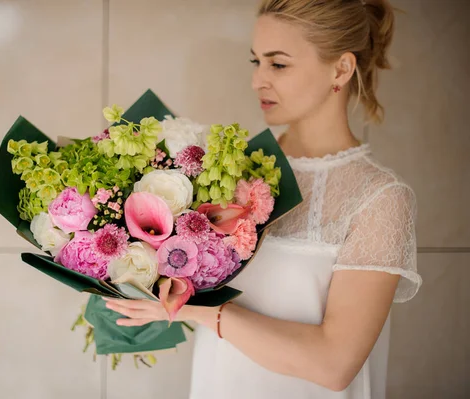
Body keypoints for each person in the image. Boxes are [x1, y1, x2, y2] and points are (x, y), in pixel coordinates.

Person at [103, 0, 422, 397]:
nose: (257, 80)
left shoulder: (380, 198)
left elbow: (334, 365)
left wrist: (193, 309)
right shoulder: (227, 169)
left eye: (279, 64)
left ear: (340, 69)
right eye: (256, 62)